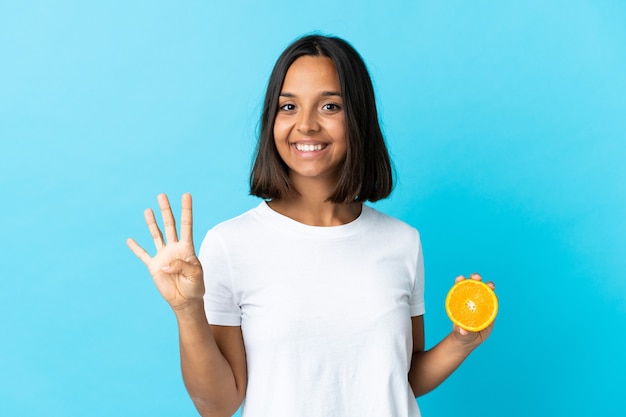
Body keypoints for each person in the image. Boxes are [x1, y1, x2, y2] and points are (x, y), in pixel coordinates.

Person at [127, 34, 495, 417]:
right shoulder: (230, 244)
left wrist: (461, 342)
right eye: (289, 106)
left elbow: (395, 378)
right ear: (272, 119)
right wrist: (188, 310)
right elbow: (218, 405)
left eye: (330, 106)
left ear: (358, 118)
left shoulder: (402, 242)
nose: (305, 125)